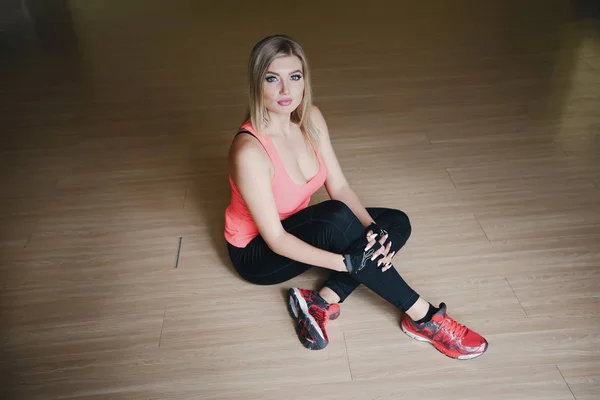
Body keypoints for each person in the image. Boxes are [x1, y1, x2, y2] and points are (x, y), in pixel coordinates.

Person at [224, 34, 488, 360]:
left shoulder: (312, 120)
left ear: (305, 80)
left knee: (393, 223)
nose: (285, 91)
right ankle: (425, 318)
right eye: (272, 79)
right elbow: (276, 239)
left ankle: (319, 301)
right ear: (256, 83)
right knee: (336, 219)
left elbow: (340, 187)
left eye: (294, 77)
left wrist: (372, 231)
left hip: (295, 226)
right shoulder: (249, 150)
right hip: (257, 252)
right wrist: (347, 262)